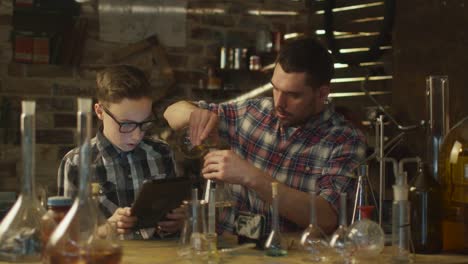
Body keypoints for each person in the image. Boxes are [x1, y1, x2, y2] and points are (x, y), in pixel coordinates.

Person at [163, 37, 367, 237]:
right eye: (275, 89)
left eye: (293, 95)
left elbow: (327, 218)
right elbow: (171, 112)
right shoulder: (253, 112)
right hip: (228, 249)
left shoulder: (344, 139)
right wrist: (195, 116)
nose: (279, 103)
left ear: (322, 94)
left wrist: (251, 177)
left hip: (290, 256)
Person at [58, 65, 183, 239]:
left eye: (144, 123)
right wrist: (106, 229)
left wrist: (177, 222)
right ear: (100, 111)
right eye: (127, 124)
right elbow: (69, 238)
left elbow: (176, 220)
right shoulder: (76, 163)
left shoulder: (161, 152)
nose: (137, 135)